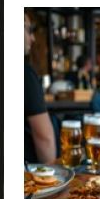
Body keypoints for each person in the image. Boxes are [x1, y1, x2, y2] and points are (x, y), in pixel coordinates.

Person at [24, 12, 56, 163]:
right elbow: (45, 138)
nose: (32, 38)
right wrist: (53, 179)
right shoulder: (23, 73)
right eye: (28, 30)